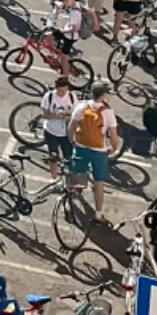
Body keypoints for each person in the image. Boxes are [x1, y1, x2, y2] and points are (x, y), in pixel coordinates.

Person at [68, 81, 117, 220]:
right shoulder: (108, 112)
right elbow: (114, 136)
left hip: (81, 148)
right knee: (98, 183)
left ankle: (70, 205)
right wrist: (112, 148)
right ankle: (98, 215)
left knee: (76, 177)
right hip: (99, 151)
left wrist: (73, 143)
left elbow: (71, 128)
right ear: (103, 95)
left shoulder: (81, 107)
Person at [40, 77, 77, 179]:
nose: (62, 93)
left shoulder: (72, 97)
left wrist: (67, 117)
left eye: (64, 91)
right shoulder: (49, 96)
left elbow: (75, 116)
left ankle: (69, 179)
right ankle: (54, 178)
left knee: (68, 157)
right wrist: (55, 115)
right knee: (53, 157)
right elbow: (44, 115)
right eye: (60, 91)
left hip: (66, 134)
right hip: (51, 132)